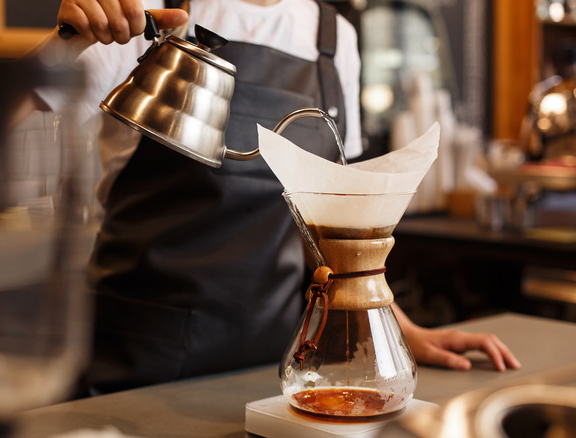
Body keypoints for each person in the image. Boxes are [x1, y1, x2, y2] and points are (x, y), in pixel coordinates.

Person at [40, 0, 520, 395]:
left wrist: (403, 331)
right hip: (135, 365)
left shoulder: (335, 39)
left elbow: (330, 229)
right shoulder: (145, 11)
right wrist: (67, 42)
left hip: (276, 369)